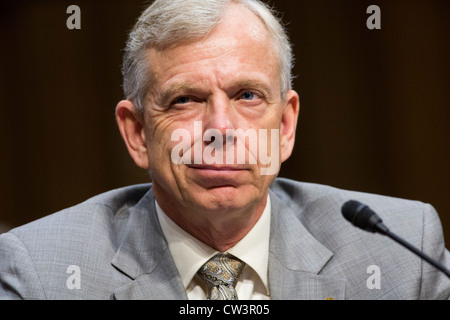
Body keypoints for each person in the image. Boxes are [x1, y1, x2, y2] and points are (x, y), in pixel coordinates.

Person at [1, 0, 449, 300]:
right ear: (137, 133)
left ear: (287, 124)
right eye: (185, 100)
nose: (220, 129)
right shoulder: (41, 272)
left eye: (248, 96)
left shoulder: (401, 253)